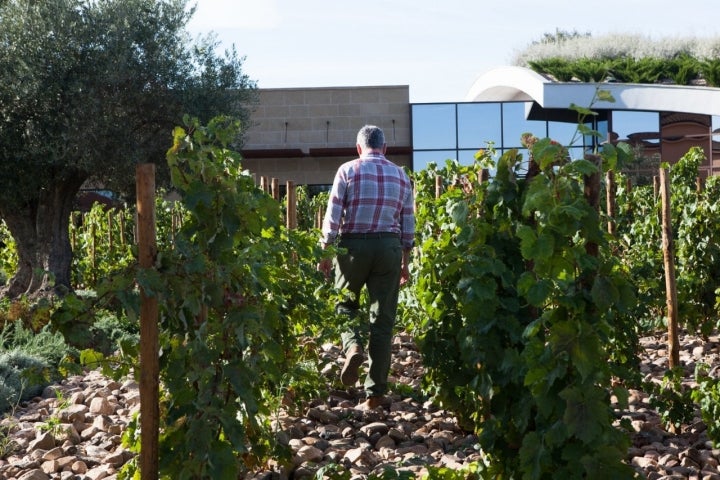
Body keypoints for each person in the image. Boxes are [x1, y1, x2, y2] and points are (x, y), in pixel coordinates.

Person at [317, 124, 415, 410]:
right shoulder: (401, 175)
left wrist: (325, 251)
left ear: (359, 148)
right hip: (388, 248)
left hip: (352, 248)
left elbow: (333, 215)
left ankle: (353, 346)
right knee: (383, 320)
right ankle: (375, 393)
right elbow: (408, 223)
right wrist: (405, 262)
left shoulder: (348, 170)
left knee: (344, 304)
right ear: (385, 148)